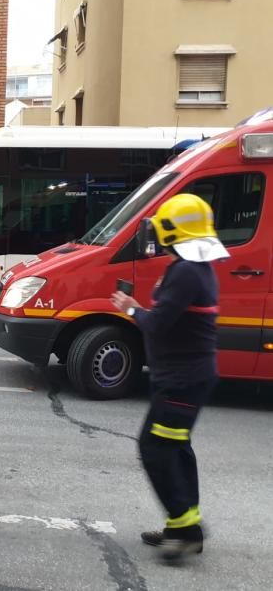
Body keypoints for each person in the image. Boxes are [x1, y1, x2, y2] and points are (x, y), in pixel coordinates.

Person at [110, 193, 228, 561]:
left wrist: (132, 310)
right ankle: (183, 526)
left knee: (156, 449)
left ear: (171, 232)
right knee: (174, 449)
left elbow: (159, 325)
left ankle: (184, 530)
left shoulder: (186, 270)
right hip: (185, 377)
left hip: (181, 379)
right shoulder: (193, 267)